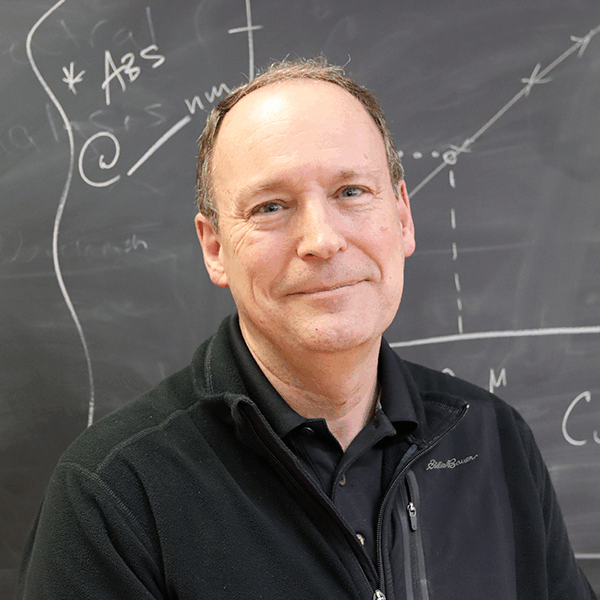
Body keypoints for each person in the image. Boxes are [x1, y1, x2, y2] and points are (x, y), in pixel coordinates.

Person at [16, 58, 595, 600]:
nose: (321, 240)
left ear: (402, 216)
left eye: (351, 192)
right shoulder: (115, 496)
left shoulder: (493, 440)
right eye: (271, 206)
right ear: (215, 248)